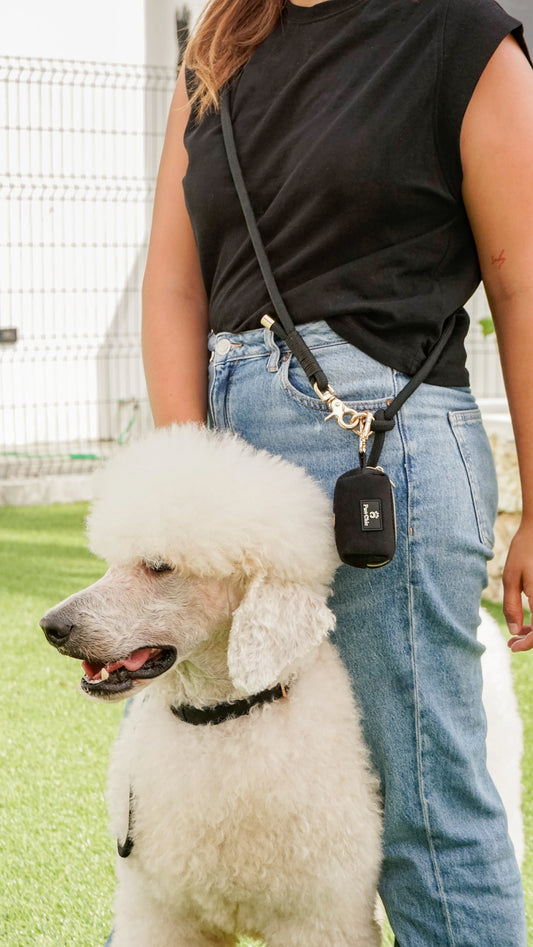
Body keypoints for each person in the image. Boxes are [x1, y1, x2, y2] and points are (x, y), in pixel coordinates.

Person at [140, 0, 533, 942]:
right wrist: (195, 487)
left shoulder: (456, 34)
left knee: (420, 812)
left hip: (379, 456)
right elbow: (174, 282)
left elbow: (522, 281)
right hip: (232, 465)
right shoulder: (219, 44)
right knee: (282, 818)